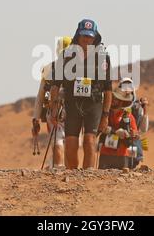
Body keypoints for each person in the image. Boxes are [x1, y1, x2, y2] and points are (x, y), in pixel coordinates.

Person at [50, 19, 112, 169]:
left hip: (94, 104)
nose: (86, 40)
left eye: (90, 36)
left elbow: (108, 90)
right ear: (77, 36)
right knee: (71, 140)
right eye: (83, 36)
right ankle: (72, 175)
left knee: (89, 140)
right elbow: (55, 86)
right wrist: (53, 109)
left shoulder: (103, 58)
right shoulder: (65, 56)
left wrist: (105, 116)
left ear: (95, 37)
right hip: (72, 103)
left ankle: (88, 175)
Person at [32, 36, 72, 169]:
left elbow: (40, 97)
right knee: (60, 141)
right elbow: (41, 96)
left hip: (68, 112)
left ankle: (57, 167)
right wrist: (36, 119)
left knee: (64, 142)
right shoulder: (49, 69)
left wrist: (36, 118)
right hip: (60, 112)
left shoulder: (48, 68)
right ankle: (59, 168)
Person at [98, 86, 139, 169]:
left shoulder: (128, 116)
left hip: (122, 155)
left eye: (116, 98)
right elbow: (100, 127)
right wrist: (115, 131)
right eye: (112, 97)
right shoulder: (104, 114)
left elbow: (135, 134)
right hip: (105, 154)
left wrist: (131, 134)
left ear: (122, 101)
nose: (113, 100)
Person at [117, 78, 149, 167]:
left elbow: (143, 129)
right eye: (124, 87)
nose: (127, 90)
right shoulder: (114, 104)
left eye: (129, 87)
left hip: (132, 142)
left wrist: (145, 110)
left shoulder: (137, 108)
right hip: (115, 141)